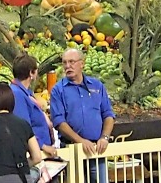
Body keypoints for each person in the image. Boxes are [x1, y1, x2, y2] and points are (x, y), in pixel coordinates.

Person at [49, 48, 115, 183]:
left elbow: (108, 114)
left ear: (82, 63)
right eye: (65, 63)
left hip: (97, 149)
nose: (68, 66)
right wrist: (81, 141)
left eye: (72, 62)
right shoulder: (58, 90)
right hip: (71, 149)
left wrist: (105, 137)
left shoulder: (97, 85)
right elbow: (59, 122)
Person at [10, 53, 57, 157]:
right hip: (33, 153)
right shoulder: (17, 94)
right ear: (32, 73)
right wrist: (43, 146)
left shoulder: (26, 93)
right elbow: (24, 127)